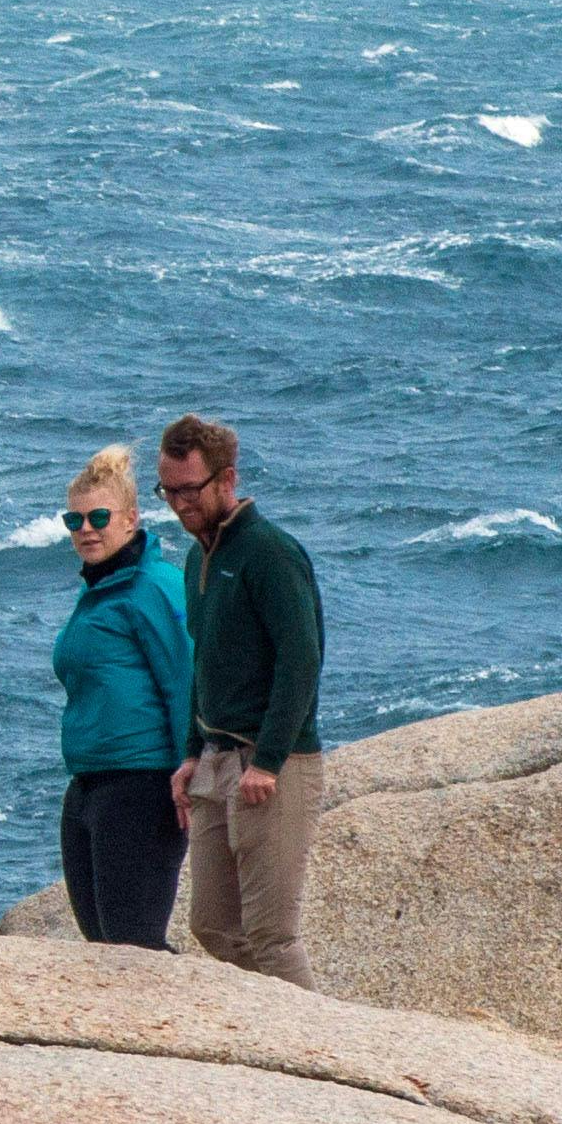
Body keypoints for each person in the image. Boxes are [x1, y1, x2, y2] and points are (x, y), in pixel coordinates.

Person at [156, 410, 327, 985]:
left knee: (271, 936)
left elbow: (300, 661)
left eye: (190, 490)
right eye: (168, 491)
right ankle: (290, 1033)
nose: (179, 504)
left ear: (227, 481)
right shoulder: (195, 558)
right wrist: (189, 751)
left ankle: (329, 1052)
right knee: (213, 925)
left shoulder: (270, 553)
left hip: (271, 763)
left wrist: (270, 759)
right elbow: (201, 663)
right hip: (215, 759)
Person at [44, 441, 194, 947]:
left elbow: (186, 682)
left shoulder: (156, 587)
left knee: (134, 948)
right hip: (88, 786)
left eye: (99, 517)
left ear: (130, 519)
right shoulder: (97, 593)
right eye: (75, 520)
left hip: (144, 786)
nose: (86, 529)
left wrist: (189, 772)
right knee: (103, 947)